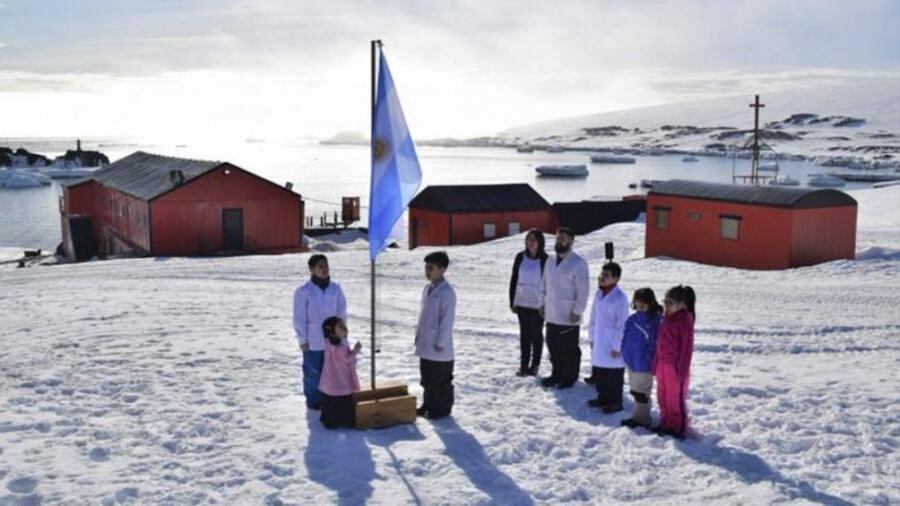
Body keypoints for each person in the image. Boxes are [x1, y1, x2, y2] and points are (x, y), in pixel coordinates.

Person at [293, 254, 348, 410]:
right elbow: (299, 317)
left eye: (326, 265)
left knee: (331, 370)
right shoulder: (304, 291)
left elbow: (341, 312)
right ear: (311, 269)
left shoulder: (335, 289)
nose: (324, 269)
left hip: (332, 339)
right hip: (313, 339)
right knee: (313, 371)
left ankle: (329, 396)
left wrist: (342, 333)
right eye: (320, 266)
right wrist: (302, 339)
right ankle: (314, 400)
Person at [539, 227, 590, 389]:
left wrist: (577, 311)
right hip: (551, 312)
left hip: (569, 315)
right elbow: (543, 284)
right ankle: (556, 374)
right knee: (553, 346)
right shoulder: (550, 260)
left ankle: (569, 377)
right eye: (557, 238)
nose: (559, 241)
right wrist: (541, 303)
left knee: (568, 349)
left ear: (571, 241)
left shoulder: (578, 263)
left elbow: (583, 290)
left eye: (563, 238)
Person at [415, 251, 457, 419]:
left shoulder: (447, 292)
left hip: (440, 347)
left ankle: (441, 409)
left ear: (442, 269)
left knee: (440, 381)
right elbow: (423, 315)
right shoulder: (428, 288)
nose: (427, 271)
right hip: (426, 343)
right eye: (426, 267)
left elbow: (447, 320)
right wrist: (418, 335)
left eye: (431, 268)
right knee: (427, 379)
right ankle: (428, 404)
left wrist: (440, 342)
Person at [653, 285, 696, 439]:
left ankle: (678, 427)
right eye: (665, 302)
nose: (666, 306)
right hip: (662, 365)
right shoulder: (666, 319)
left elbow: (686, 350)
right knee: (662, 395)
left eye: (670, 303)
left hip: (675, 368)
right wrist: (655, 363)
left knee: (674, 399)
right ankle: (666, 422)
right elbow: (659, 343)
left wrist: (682, 371)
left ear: (682, 304)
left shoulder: (685, 321)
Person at [586, 262, 630, 413]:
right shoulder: (599, 293)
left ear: (616, 279)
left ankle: (615, 402)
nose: (602, 277)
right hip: (599, 340)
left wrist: (617, 346)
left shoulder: (620, 298)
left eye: (606, 275)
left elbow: (622, 324)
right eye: (602, 274)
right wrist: (592, 338)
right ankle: (602, 397)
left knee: (614, 374)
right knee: (601, 371)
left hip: (612, 343)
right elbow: (593, 317)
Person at [620, 288, 663, 429]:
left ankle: (642, 419)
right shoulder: (632, 319)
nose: (639, 309)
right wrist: (624, 351)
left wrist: (649, 357)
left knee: (641, 392)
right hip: (631, 361)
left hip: (644, 363)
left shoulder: (656, 321)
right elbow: (626, 336)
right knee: (634, 389)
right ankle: (639, 415)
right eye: (637, 306)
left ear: (651, 304)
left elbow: (657, 342)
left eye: (643, 306)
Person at [509, 229, 549, 377]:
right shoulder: (520, 257)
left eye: (534, 240)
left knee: (536, 335)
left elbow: (548, 284)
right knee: (524, 335)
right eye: (528, 239)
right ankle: (524, 365)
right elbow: (514, 279)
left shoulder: (546, 260)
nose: (531, 243)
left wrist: (545, 304)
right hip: (521, 301)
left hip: (537, 304)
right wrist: (512, 300)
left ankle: (535, 365)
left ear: (540, 242)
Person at [318, 316, 362, 429]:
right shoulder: (339, 346)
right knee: (342, 399)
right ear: (332, 333)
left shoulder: (329, 342)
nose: (344, 328)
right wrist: (356, 350)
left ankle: (329, 419)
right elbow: (347, 359)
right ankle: (343, 420)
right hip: (340, 378)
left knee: (331, 400)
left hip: (330, 379)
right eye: (340, 327)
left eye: (343, 325)